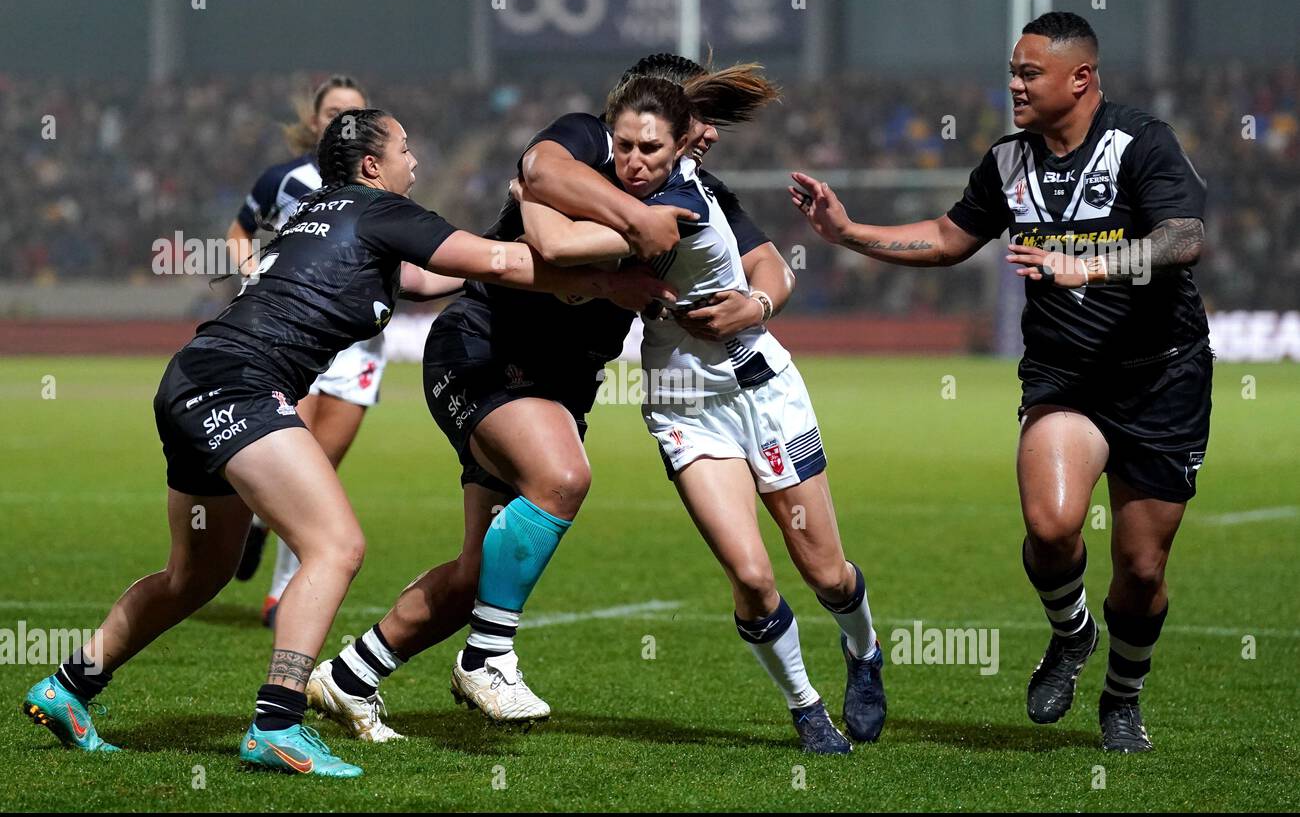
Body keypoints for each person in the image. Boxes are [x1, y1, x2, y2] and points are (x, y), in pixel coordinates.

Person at [20, 108, 665, 776]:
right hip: (240, 384)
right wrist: (601, 267)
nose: (416, 162)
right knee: (335, 545)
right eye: (406, 149)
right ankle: (276, 723)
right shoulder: (385, 209)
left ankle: (69, 685)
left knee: (197, 574)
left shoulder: (319, 212)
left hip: (194, 376)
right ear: (371, 165)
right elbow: (501, 260)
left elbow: (435, 278)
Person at [306, 55, 798, 740]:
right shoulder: (588, 141)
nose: (707, 133)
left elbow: (765, 258)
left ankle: (350, 675)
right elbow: (539, 188)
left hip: (564, 379)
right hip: (484, 348)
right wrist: (620, 233)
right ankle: (486, 658)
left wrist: (759, 301)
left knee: (481, 570)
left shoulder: (695, 195)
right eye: (695, 117)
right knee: (561, 476)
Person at [791, 12, 1211, 753]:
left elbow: (1184, 238)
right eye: (1012, 71)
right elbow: (952, 238)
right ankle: (1071, 634)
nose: (1013, 84)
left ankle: (1122, 696)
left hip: (1162, 378)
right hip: (1066, 378)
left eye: (1028, 73)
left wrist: (1094, 264)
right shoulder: (1007, 160)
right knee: (1051, 527)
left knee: (1142, 570)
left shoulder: (1140, 141)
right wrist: (849, 233)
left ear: (1080, 77)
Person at [514, 71, 886, 754]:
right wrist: (538, 182)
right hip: (686, 404)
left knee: (827, 573)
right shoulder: (640, 195)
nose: (632, 162)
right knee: (749, 574)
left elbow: (557, 244)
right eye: (622, 145)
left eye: (649, 148)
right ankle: (806, 708)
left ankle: (863, 652)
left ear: (681, 145)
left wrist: (524, 190)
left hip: (761, 389)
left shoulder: (677, 205)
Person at [225, 76, 459, 628]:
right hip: (297, 336)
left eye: (353, 111)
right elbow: (240, 232)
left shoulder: (384, 196)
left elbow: (408, 268)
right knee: (293, 452)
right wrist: (253, 273)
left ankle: (274, 562)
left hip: (360, 346)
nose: (342, 119)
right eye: (333, 112)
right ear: (314, 122)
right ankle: (276, 572)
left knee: (320, 468)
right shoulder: (285, 181)